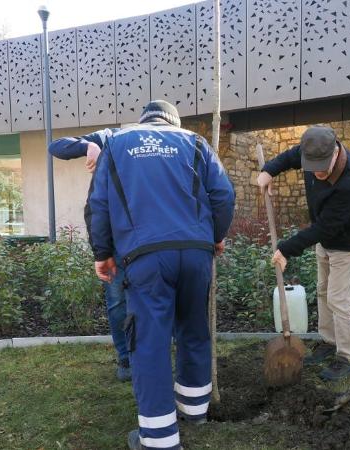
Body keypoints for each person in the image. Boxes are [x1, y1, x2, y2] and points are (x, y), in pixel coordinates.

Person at [88, 100, 235, 450]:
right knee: (194, 328)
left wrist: (103, 254)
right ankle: (194, 409)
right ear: (173, 122)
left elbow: (100, 204)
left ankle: (158, 439)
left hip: (146, 257)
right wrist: (215, 236)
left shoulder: (118, 145)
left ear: (144, 121)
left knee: (150, 343)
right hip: (196, 253)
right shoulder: (196, 143)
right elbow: (223, 195)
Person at [256, 126, 350, 380]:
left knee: (340, 300)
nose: (317, 173)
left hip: (348, 244)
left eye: (322, 168)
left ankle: (346, 357)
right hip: (325, 240)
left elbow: (326, 226)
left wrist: (286, 249)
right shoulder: (311, 150)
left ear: (334, 152)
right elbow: (288, 157)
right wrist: (268, 171)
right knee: (322, 291)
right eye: (312, 167)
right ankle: (329, 342)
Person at [50, 127, 131, 382]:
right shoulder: (110, 138)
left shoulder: (157, 146)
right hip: (112, 240)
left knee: (150, 299)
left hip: (145, 238)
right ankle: (126, 359)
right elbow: (56, 146)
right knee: (117, 301)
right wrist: (87, 146)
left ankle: (150, 357)